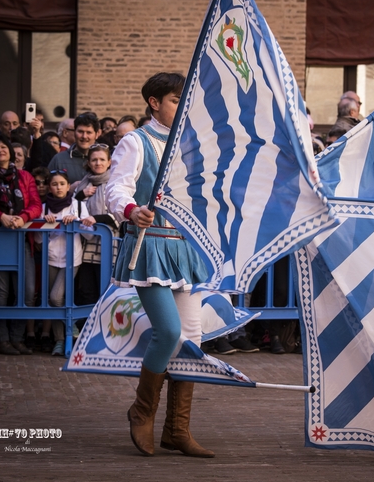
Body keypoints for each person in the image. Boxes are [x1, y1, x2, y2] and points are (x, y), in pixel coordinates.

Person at [106, 72, 214, 458]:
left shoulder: (192, 143)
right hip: (148, 249)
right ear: (154, 102)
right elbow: (114, 187)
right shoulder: (136, 141)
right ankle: (141, 411)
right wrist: (132, 210)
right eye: (173, 100)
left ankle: (177, 431)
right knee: (168, 332)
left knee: (192, 341)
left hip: (183, 251)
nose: (180, 106)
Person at [0, 132, 42, 354]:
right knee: (0, 293)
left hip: (21, 239)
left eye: (3, 147)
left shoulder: (25, 177)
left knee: (27, 291)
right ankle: (1, 340)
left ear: (10, 152)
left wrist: (23, 217)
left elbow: (35, 205)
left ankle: (17, 338)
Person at [34, 169, 92, 356]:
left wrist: (76, 221)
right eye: (54, 184)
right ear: (49, 187)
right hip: (50, 257)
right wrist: (45, 223)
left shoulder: (79, 205)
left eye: (62, 184)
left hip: (71, 259)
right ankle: (60, 340)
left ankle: (71, 323)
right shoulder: (43, 208)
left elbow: (89, 235)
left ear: (68, 186)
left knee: (55, 297)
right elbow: (38, 241)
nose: (58, 187)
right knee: (52, 301)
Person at [73, 143, 119, 305]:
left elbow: (120, 215)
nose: (98, 163)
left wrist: (96, 218)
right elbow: (72, 209)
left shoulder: (116, 183)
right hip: (86, 246)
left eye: (101, 159)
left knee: (106, 291)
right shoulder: (84, 184)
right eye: (94, 160)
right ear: (88, 162)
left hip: (109, 246)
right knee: (86, 291)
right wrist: (80, 195)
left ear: (109, 162)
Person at [25, 167, 53, 351]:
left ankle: (45, 334)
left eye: (45, 183)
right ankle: (29, 332)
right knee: (31, 293)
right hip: (34, 250)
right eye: (37, 183)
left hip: (52, 254)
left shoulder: (55, 203)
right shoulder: (29, 204)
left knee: (48, 293)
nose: (41, 187)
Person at [48, 113, 101, 183]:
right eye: (80, 132)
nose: (84, 136)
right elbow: (48, 189)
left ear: (97, 134)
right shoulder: (59, 159)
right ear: (74, 132)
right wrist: (68, 190)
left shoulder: (107, 159)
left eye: (89, 132)